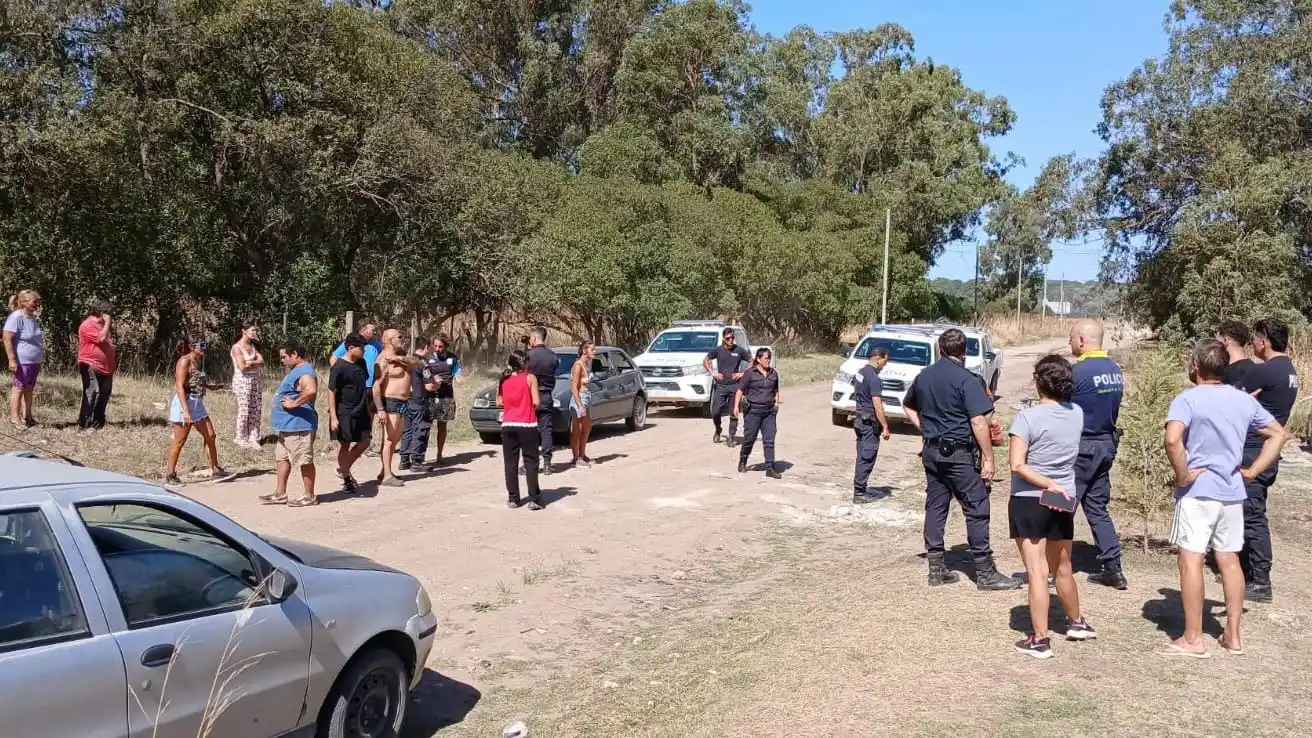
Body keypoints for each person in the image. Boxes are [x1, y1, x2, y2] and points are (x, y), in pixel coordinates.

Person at [1158, 339, 1286, 658]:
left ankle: (1193, 638)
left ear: (1195, 366)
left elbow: (1172, 439)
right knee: (1229, 560)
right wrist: (1254, 470)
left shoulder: (1187, 400)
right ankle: (1233, 634)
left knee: (1191, 560)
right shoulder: (1242, 400)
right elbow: (1278, 434)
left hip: (1198, 493)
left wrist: (1183, 474)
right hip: (1232, 491)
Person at [904, 328, 1020, 591]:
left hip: (931, 452)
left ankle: (936, 568)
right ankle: (984, 573)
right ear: (964, 351)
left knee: (936, 507)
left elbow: (908, 406)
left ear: (939, 350)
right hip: (958, 454)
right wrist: (989, 458)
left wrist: (926, 430)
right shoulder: (967, 379)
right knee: (977, 507)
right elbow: (979, 420)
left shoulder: (924, 376)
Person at [1008, 355, 1096, 659]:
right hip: (1062, 500)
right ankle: (1076, 622)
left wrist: (1045, 482)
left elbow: (1017, 465)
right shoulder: (1077, 414)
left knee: (1036, 571)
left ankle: (1040, 639)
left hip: (1030, 499)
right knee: (1063, 566)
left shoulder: (1027, 418)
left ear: (1038, 381)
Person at [1233, 318, 1300, 602]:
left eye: (1257, 339)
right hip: (1269, 450)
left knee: (1252, 516)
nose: (1254, 344)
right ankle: (1249, 570)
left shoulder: (1265, 371)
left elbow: (1232, 398)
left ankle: (1260, 580)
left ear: (1265, 341)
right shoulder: (1289, 370)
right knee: (1252, 512)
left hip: (1255, 451)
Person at [1068, 318, 1129, 589]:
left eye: (1071, 338)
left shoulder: (1077, 372)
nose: (1070, 343)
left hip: (1081, 447)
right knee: (1096, 507)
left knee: (1060, 508)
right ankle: (1113, 568)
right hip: (1106, 445)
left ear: (1081, 340)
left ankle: (1048, 568)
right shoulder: (1114, 370)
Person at [164, 339, 229, 487]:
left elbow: (193, 380)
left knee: (210, 435)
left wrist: (209, 385)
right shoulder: (184, 361)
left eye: (206, 345)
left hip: (196, 402)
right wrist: (186, 411)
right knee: (180, 440)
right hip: (184, 402)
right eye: (202, 346)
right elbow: (179, 386)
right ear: (192, 347)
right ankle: (170, 475)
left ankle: (215, 469)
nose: (204, 348)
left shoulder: (197, 361)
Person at [263, 343, 319, 507]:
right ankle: (280, 493)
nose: (282, 361)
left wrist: (294, 403)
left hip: (299, 426)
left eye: (283, 357)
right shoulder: (295, 371)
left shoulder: (305, 371)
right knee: (282, 458)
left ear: (294, 354)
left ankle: (309, 496)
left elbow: (311, 390)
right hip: (286, 426)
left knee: (304, 461)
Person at [372, 328, 418, 486]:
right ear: (388, 339)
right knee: (389, 440)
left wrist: (398, 358)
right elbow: (376, 386)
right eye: (398, 337)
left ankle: (385, 470)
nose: (401, 339)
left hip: (403, 402)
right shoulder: (382, 360)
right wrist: (380, 409)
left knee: (396, 437)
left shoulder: (400, 355)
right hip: (391, 402)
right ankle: (386, 476)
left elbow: (416, 362)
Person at [499, 349, 543, 510]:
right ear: (522, 363)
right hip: (527, 423)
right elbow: (537, 401)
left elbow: (499, 402)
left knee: (510, 462)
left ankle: (513, 498)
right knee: (531, 461)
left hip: (508, 424)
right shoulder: (530, 378)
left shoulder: (504, 379)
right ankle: (534, 497)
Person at [328, 333, 372, 492]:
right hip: (344, 413)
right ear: (351, 348)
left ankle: (343, 469)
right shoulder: (339, 367)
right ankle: (346, 477)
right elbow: (331, 391)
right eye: (362, 348)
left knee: (365, 441)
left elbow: (364, 386)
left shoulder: (362, 363)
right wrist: (333, 417)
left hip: (361, 410)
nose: (364, 351)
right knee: (345, 444)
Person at [734, 348, 782, 479]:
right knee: (749, 439)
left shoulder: (773, 373)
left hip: (769, 412)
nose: (768, 361)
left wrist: (776, 404)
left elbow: (776, 390)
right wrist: (736, 407)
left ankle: (770, 467)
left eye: (769, 358)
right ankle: (743, 460)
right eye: (766, 358)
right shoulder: (750, 373)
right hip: (753, 412)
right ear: (758, 359)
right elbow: (739, 390)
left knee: (769, 439)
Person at [852, 347, 892, 502]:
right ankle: (860, 493)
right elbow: (877, 404)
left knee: (862, 454)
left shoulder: (861, 373)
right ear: (878, 358)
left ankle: (860, 488)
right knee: (867, 456)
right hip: (869, 422)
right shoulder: (874, 378)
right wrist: (885, 426)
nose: (884, 365)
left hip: (859, 419)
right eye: (884, 361)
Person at [704, 327, 751, 446]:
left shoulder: (739, 350)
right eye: (728, 338)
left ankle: (731, 436)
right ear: (723, 339)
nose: (731, 340)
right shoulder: (718, 350)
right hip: (721, 386)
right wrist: (712, 372)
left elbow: (753, 362)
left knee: (734, 412)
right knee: (715, 411)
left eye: (732, 338)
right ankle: (718, 429)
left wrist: (742, 373)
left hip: (735, 386)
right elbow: (706, 360)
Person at [4, 290, 44, 429]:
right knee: (18, 388)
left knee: (29, 388)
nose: (37, 304)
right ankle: (15, 417)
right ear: (24, 303)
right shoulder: (16, 317)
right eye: (34, 302)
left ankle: (28, 416)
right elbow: (7, 338)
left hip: (34, 360)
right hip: (22, 360)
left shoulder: (32, 317)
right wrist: (12, 360)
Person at [76, 299, 116, 429]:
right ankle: (85, 422)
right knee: (93, 392)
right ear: (102, 313)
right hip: (90, 364)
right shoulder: (88, 325)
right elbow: (101, 338)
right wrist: (108, 322)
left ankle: (98, 421)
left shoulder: (101, 325)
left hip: (105, 367)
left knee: (105, 393)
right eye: (108, 313)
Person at [399, 339, 436, 473]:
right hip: (419, 400)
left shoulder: (406, 362)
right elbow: (429, 386)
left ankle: (404, 459)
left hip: (406, 399)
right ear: (426, 347)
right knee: (421, 428)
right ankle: (417, 460)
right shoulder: (423, 363)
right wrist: (437, 383)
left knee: (408, 429)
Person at [525, 327, 558, 474]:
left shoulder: (528, 356)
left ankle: (529, 464)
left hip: (530, 397)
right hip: (546, 395)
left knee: (529, 431)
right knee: (546, 430)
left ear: (535, 338)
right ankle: (547, 463)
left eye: (531, 338)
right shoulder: (553, 356)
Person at [427, 334, 463, 465]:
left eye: (440, 346)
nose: (437, 348)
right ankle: (420, 455)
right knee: (426, 425)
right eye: (435, 346)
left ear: (446, 346)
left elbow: (457, 371)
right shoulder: (429, 358)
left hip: (446, 395)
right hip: (430, 395)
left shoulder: (452, 358)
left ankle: (439, 454)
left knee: (442, 426)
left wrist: (459, 377)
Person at [229, 321, 265, 450]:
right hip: (242, 381)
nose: (255, 333)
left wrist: (250, 362)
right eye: (253, 330)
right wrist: (254, 362)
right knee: (244, 409)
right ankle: (241, 437)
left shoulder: (253, 346)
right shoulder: (237, 348)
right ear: (244, 331)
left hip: (255, 379)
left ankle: (253, 436)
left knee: (256, 408)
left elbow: (262, 362)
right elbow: (242, 367)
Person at [570, 341, 597, 468]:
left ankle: (582, 454)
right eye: (592, 349)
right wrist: (580, 405)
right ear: (585, 350)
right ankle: (577, 458)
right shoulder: (578, 366)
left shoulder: (587, 364)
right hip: (579, 399)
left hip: (586, 398)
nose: (594, 352)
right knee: (578, 429)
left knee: (587, 428)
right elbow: (574, 387)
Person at [1217, 319, 1254, 387]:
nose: (1216, 344)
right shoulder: (1254, 368)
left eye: (1218, 340)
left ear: (1225, 340)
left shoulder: (1227, 372)